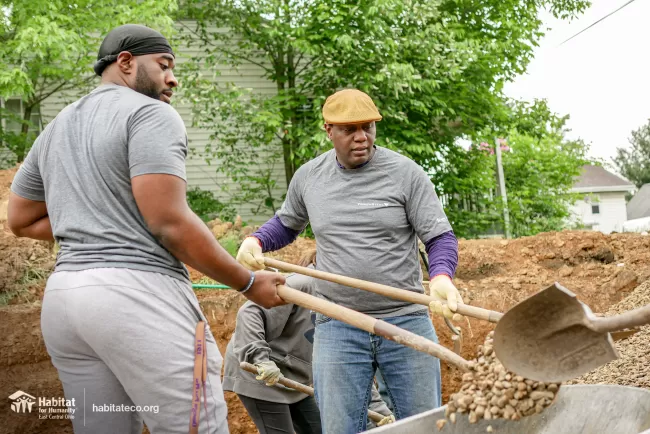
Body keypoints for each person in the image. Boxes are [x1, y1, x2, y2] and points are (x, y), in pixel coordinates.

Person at [7, 24, 285, 434]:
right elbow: (169, 222)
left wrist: (99, 219)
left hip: (66, 301)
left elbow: (21, 220)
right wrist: (246, 283)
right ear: (125, 62)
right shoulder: (151, 113)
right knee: (196, 426)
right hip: (138, 298)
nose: (173, 78)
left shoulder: (58, 126)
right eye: (164, 65)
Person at [235, 88, 463, 433]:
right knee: (340, 428)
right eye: (349, 130)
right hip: (337, 323)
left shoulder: (406, 173)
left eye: (368, 127)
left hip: (405, 319)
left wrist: (442, 277)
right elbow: (286, 223)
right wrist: (256, 240)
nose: (361, 137)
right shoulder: (310, 177)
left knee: (424, 426)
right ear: (329, 130)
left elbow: (438, 236)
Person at [223, 248, 395, 434]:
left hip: (296, 379)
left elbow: (350, 370)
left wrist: (381, 413)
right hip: (259, 374)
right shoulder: (303, 284)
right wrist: (260, 359)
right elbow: (250, 312)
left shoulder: (348, 304)